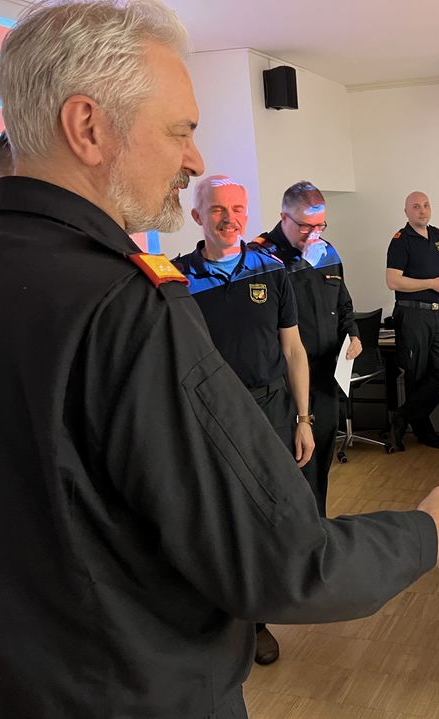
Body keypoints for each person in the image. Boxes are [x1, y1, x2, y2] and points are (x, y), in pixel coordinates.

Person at [0, 2, 439, 719]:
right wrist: (423, 532)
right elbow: (283, 559)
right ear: (88, 127)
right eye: (180, 130)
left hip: (14, 715)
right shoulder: (127, 304)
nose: (193, 159)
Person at [172, 176, 315, 666]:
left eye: (237, 209)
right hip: (208, 416)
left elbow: (293, 350)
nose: (228, 218)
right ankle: (220, 619)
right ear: (197, 216)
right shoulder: (175, 281)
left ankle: (258, 621)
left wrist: (304, 418)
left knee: (265, 515)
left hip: (270, 410)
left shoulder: (272, 271)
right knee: (217, 518)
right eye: (217, 209)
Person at [252, 182, 360, 515]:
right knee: (290, 470)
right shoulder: (260, 257)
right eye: (305, 226)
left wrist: (353, 335)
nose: (313, 234)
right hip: (283, 386)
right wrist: (299, 262)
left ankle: (318, 529)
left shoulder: (327, 252)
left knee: (320, 464)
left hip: (325, 379)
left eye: (320, 226)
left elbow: (343, 303)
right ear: (283, 217)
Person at [386, 191, 439, 450]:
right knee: (416, 374)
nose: (422, 210)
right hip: (412, 314)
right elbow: (393, 281)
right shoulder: (401, 240)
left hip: (437, 312)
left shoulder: (437, 235)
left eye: (426, 205)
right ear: (406, 211)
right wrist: (431, 283)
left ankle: (402, 416)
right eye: (416, 206)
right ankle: (422, 430)